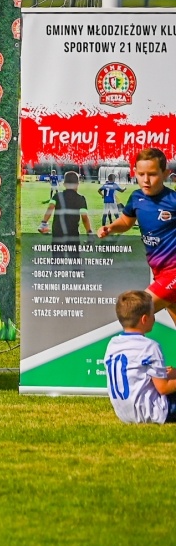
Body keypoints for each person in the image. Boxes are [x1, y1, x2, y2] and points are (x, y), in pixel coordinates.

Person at [98, 148, 176, 328]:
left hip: (173, 274)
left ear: (166, 174)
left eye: (152, 174)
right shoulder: (137, 197)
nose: (146, 180)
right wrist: (110, 228)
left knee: (135, 313)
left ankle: (127, 354)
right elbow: (126, 221)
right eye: (141, 174)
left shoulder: (173, 201)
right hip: (159, 273)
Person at [103, 289, 176, 424]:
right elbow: (163, 388)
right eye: (153, 313)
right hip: (153, 412)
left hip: (125, 414)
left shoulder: (113, 344)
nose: (154, 318)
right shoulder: (150, 347)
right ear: (144, 319)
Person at [39, 171, 90, 242]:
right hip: (73, 233)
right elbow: (84, 218)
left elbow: (50, 209)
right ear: (78, 184)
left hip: (57, 232)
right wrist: (89, 232)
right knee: (73, 252)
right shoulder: (81, 199)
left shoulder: (57, 196)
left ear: (64, 184)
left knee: (57, 252)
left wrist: (44, 223)